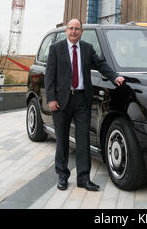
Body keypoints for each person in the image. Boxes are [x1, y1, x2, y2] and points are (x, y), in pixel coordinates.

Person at [45, 18, 125, 192]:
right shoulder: (56, 49)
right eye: (71, 28)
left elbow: (101, 65)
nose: (73, 31)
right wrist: (51, 98)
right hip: (61, 101)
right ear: (66, 31)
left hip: (82, 100)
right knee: (62, 141)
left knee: (83, 140)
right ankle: (62, 177)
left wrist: (114, 76)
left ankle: (83, 179)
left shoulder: (87, 49)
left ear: (81, 32)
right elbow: (49, 75)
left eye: (77, 29)